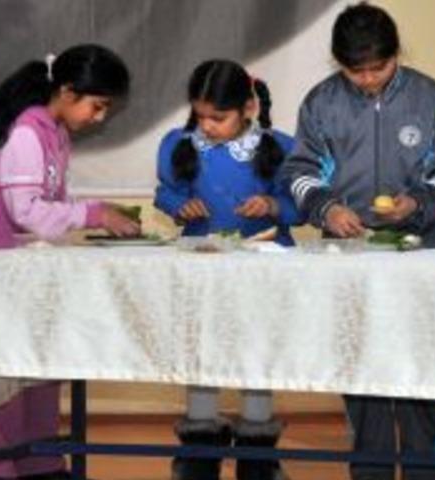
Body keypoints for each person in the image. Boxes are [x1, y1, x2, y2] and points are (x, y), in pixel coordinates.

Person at [281, 3, 435, 479]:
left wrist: (421, 202)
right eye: (355, 71)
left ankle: (426, 468)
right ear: (338, 64)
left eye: (378, 68)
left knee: (420, 365)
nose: (367, 80)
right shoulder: (321, 103)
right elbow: (300, 172)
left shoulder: (431, 99)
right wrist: (328, 209)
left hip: (418, 252)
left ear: (397, 55)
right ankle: (370, 471)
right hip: (347, 257)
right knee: (360, 365)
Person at [0, 44, 138, 479]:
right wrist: (93, 214)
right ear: (67, 92)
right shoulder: (25, 133)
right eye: (97, 106)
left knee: (40, 366)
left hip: (20, 271)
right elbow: (26, 211)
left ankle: (40, 459)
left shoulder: (54, 133)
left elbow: (52, 202)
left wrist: (97, 212)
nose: (100, 117)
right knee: (2, 375)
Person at [153, 58, 300, 480]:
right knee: (202, 350)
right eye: (199, 116)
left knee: (258, 353)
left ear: (249, 108)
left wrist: (274, 206)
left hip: (263, 272)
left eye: (218, 117)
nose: (207, 126)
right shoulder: (177, 144)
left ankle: (258, 451)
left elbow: (300, 207)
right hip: (202, 269)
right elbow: (166, 193)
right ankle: (199, 451)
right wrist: (180, 206)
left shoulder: (282, 147)